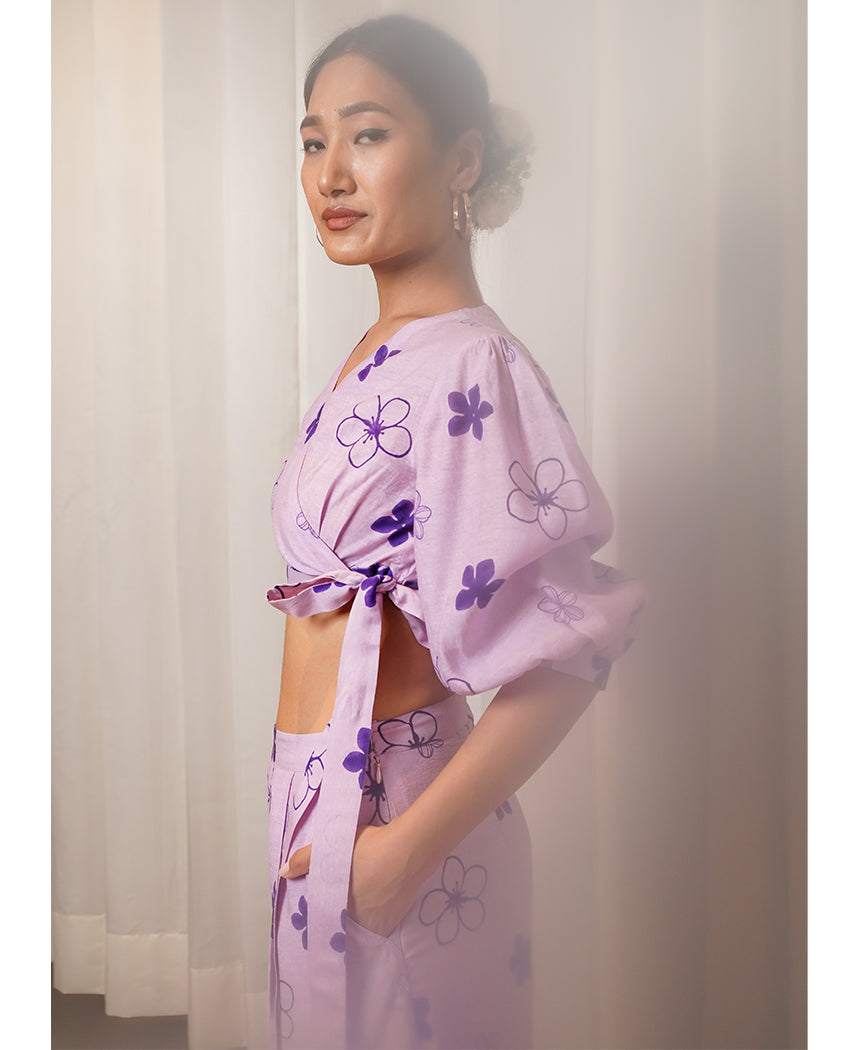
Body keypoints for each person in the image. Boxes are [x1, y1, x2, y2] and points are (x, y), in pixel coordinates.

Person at [265, 15, 643, 1049]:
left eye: (368, 134)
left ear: (462, 159)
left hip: (402, 816)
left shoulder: (473, 365)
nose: (331, 174)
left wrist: (402, 855)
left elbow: (570, 649)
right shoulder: (384, 348)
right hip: (318, 795)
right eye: (312, 141)